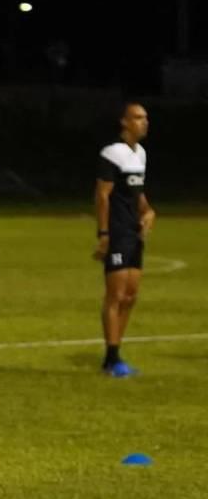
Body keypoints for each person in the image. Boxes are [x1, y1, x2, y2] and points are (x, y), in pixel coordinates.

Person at [96, 102, 155, 377]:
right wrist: (104, 234)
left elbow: (136, 192)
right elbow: (103, 195)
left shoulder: (140, 153)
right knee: (116, 295)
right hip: (118, 232)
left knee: (131, 295)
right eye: (138, 118)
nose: (144, 122)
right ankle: (111, 357)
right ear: (124, 122)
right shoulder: (112, 153)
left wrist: (148, 211)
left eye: (145, 118)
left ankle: (116, 353)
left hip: (134, 233)